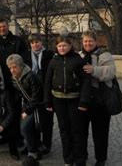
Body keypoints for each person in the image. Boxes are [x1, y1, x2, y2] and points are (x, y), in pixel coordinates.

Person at [44, 36, 91, 166]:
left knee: (77, 130)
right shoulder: (53, 61)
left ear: (70, 46)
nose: (62, 48)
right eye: (59, 46)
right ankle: (68, 160)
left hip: (74, 100)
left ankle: (79, 159)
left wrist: (83, 102)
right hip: (58, 100)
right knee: (64, 130)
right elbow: (47, 82)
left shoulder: (78, 60)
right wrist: (47, 102)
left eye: (64, 45)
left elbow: (86, 82)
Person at [79, 31, 116, 166]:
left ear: (95, 41)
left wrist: (94, 70)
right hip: (83, 100)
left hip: (100, 100)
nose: (87, 43)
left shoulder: (104, 54)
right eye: (85, 41)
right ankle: (82, 156)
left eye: (90, 41)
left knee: (100, 133)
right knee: (81, 131)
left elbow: (111, 72)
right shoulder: (79, 55)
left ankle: (101, 159)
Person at [7, 54, 44, 164]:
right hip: (26, 105)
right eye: (10, 68)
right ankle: (37, 146)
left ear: (21, 66)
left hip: (36, 106)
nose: (12, 70)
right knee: (27, 129)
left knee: (25, 128)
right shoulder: (14, 78)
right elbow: (19, 93)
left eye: (14, 67)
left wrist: (27, 111)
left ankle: (33, 152)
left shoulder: (31, 76)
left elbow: (36, 96)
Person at [22, 33, 54, 154]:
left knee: (47, 121)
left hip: (47, 91)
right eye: (32, 42)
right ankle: (33, 143)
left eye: (37, 42)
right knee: (31, 121)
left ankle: (46, 144)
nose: (35, 44)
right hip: (31, 92)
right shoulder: (25, 56)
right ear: (30, 44)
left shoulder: (49, 54)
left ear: (41, 42)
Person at [0, 19, 27, 90]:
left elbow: (25, 59)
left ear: (8, 27)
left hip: (16, 78)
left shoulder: (18, 41)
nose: (2, 29)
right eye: (0, 27)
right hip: (0, 78)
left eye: (4, 26)